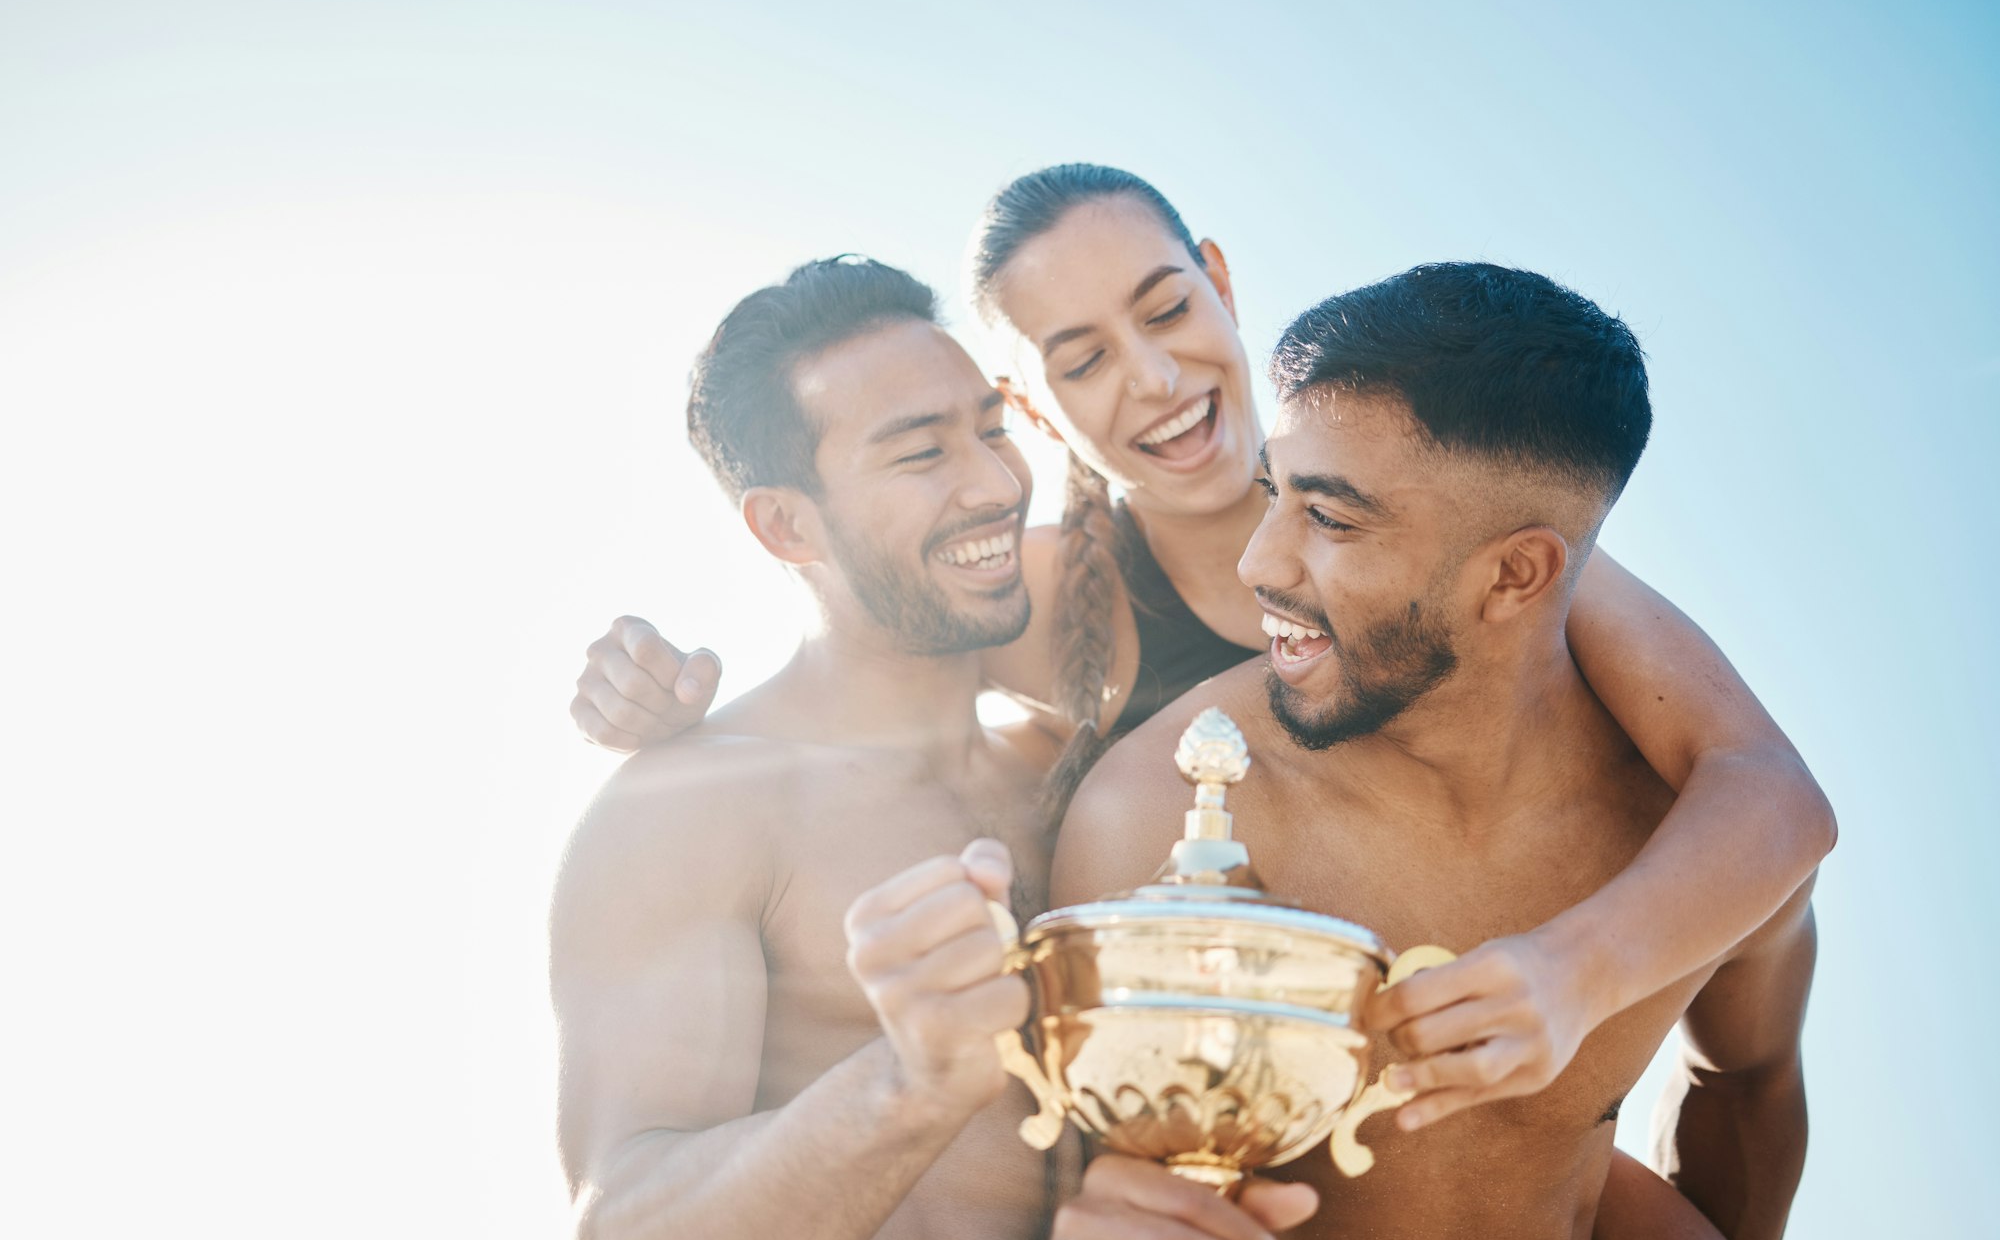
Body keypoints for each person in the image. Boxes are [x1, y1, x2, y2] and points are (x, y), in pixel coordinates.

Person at [572, 164, 1835, 1136]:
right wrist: (665, 696)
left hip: (1498, 1092)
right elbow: (862, 658)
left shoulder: (1439, 519)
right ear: (1031, 405)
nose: (1153, 376)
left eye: (1165, 307)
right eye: (1080, 359)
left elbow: (1766, 788)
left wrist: (1578, 972)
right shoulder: (1052, 599)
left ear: (1219, 281)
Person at [552, 256, 1315, 1240]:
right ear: (786, 525)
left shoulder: (1078, 779)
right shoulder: (693, 805)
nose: (995, 484)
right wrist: (907, 1082)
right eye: (920, 453)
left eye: (991, 430)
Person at [1053, 262, 1816, 1240]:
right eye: (1276, 492)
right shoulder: (1172, 813)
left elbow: (1745, 1082)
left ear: (1514, 574)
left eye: (1329, 519)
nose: (1258, 564)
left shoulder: (1684, 843)